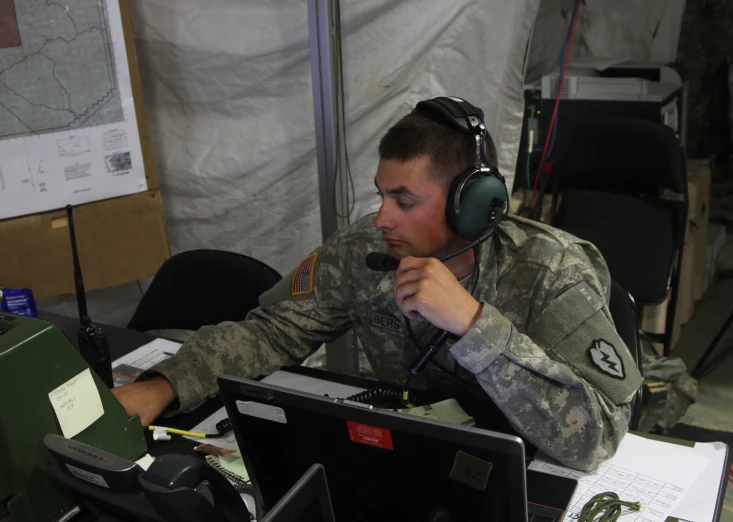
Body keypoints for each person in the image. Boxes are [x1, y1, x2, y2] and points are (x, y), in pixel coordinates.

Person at [113, 97, 643, 471]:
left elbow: (597, 436)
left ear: (474, 205)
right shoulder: (364, 248)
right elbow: (273, 332)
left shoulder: (552, 272)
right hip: (402, 456)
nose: (382, 218)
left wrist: (474, 324)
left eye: (404, 201)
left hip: (518, 471)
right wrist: (166, 384)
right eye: (381, 194)